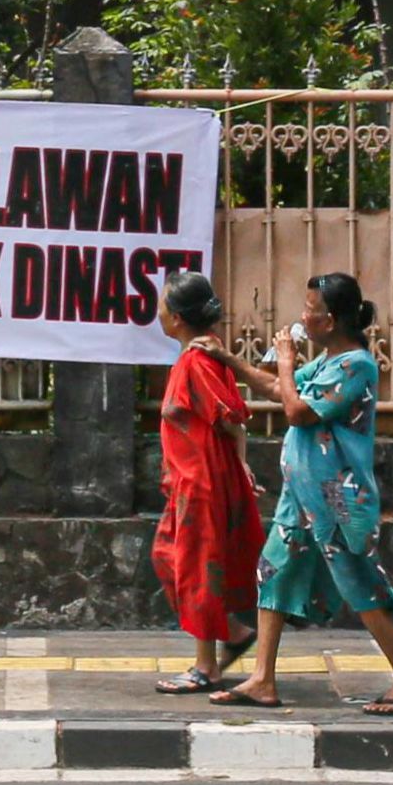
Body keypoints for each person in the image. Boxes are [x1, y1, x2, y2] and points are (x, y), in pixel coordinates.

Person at [191, 271, 393, 714]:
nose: (304, 316)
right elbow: (272, 387)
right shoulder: (324, 362)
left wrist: (286, 363)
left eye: (312, 311)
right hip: (303, 500)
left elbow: (297, 411)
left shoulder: (355, 365)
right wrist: (227, 357)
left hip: (337, 501)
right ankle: (262, 680)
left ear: (334, 320)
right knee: (274, 573)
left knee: (362, 586)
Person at [152, 272, 265, 694]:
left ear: (178, 317)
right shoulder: (196, 360)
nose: (158, 311)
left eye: (163, 304)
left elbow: (231, 417)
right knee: (169, 556)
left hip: (199, 481)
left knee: (198, 567)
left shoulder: (197, 363)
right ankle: (232, 632)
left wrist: (240, 464)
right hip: (188, 481)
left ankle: (206, 666)